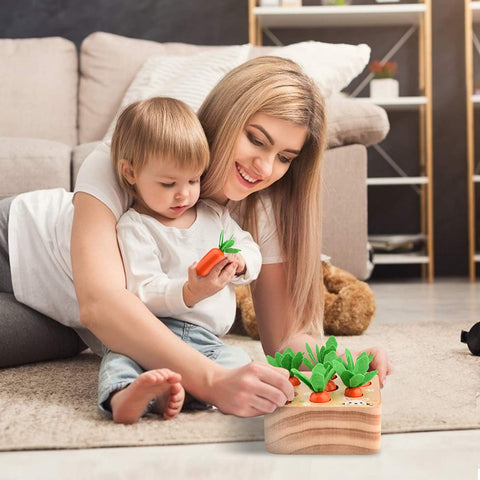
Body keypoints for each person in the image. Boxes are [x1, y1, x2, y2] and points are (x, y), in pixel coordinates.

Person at [0, 56, 392, 417]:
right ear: (226, 116)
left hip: (66, 315)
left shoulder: (262, 207)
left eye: (286, 157)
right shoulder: (142, 152)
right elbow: (101, 302)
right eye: (256, 139)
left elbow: (283, 339)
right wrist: (211, 380)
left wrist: (345, 366)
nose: (265, 167)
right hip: (12, 245)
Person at [98, 97, 262, 423]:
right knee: (118, 359)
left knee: (239, 362)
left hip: (206, 339)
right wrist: (189, 292)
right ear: (130, 173)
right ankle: (125, 396)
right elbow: (142, 289)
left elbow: (248, 245)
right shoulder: (136, 226)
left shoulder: (213, 214)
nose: (184, 194)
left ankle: (169, 395)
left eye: (193, 180)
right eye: (168, 183)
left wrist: (241, 261)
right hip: (149, 331)